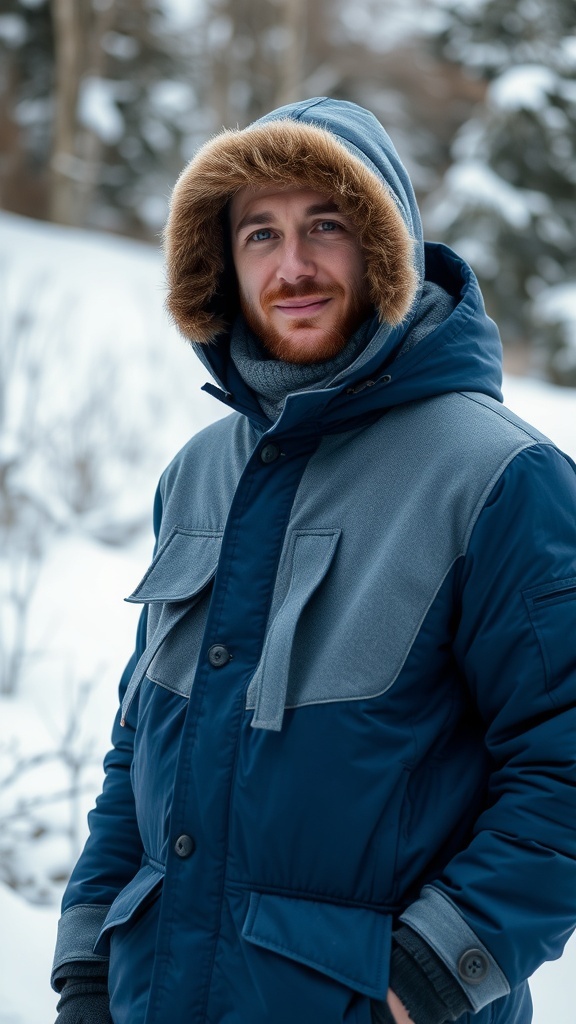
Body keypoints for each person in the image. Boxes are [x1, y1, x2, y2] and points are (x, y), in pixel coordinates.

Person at [51, 97, 576, 1024]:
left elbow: (564, 772)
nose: (292, 266)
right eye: (261, 233)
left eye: (324, 225)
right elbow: (141, 743)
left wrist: (421, 983)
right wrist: (87, 968)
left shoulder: (500, 477)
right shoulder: (201, 473)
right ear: (222, 260)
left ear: (383, 246)